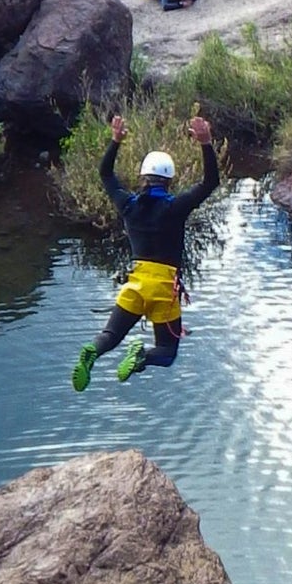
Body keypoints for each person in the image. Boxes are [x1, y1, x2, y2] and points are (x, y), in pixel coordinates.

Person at [71, 112, 220, 387]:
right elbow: (210, 182)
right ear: (169, 180)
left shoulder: (128, 205)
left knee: (111, 335)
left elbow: (105, 174)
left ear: (143, 177)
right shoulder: (176, 207)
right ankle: (140, 358)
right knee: (166, 352)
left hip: (136, 284)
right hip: (164, 288)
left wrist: (115, 141)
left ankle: (93, 350)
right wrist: (206, 142)